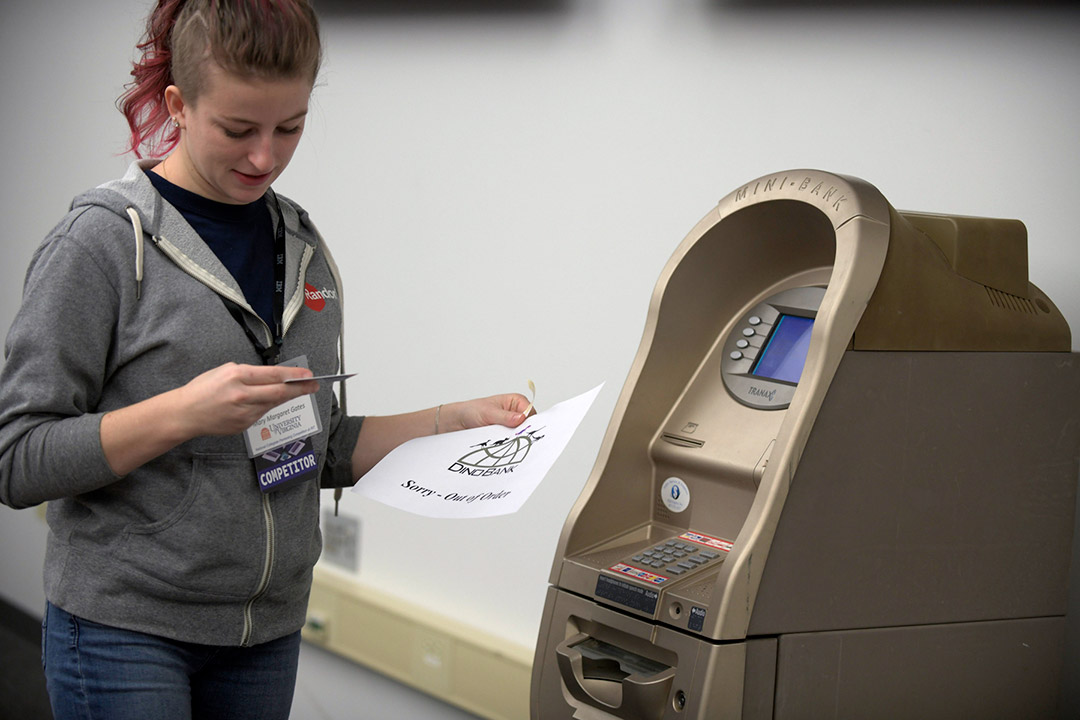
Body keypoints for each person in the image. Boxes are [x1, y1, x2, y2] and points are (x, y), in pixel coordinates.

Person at [0, 1, 531, 718]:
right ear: (178, 106)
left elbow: (321, 446)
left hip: (267, 632)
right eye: (238, 129)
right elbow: (18, 457)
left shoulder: (303, 248)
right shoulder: (99, 244)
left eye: (291, 127)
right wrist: (186, 413)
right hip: (124, 628)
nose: (265, 157)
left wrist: (452, 422)